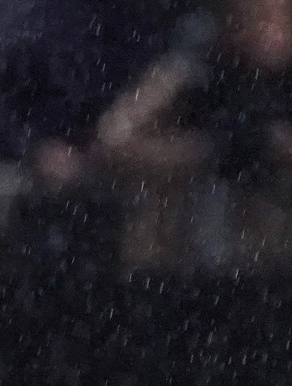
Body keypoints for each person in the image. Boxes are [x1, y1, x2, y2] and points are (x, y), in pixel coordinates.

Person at [98, 0, 292, 270]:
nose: (264, 30)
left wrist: (271, 146)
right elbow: (115, 139)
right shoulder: (195, 69)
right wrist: (204, 151)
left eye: (271, 17)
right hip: (191, 247)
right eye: (249, 18)